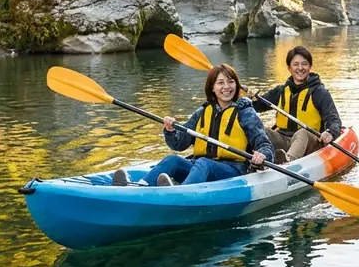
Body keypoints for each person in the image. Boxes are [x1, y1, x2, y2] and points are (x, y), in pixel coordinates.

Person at [113, 64, 274, 186]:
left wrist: (262, 155)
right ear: (212, 87)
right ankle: (141, 187)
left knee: (204, 163)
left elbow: (265, 145)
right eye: (220, 83)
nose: (226, 87)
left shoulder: (245, 112)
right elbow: (179, 143)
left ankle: (182, 193)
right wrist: (169, 131)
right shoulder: (202, 112)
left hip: (233, 169)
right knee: (172, 160)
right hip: (200, 168)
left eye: (231, 82)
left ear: (236, 85)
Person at [252, 46, 342, 161]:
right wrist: (244, 98)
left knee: (302, 133)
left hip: (310, 141)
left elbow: (334, 120)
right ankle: (254, 159)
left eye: (304, 64)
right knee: (260, 130)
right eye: (295, 64)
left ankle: (288, 161)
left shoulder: (319, 92)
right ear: (289, 68)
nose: (300, 68)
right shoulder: (280, 91)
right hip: (284, 138)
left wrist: (330, 132)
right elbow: (255, 106)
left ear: (310, 67)